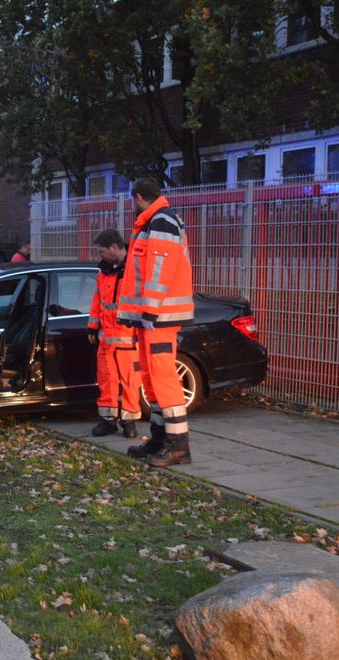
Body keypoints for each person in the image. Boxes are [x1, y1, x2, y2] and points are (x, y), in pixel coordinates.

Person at [120, 177, 194, 467]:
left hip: (159, 317)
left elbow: (160, 270)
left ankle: (177, 447)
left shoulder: (160, 222)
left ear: (138, 198)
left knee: (163, 379)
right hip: (153, 318)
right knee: (151, 379)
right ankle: (161, 440)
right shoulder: (155, 222)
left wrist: (149, 309)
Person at [87, 229, 141, 438]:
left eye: (102, 251)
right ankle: (108, 420)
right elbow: (98, 300)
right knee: (107, 381)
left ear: (114, 248)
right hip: (107, 338)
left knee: (130, 382)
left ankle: (129, 422)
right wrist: (92, 326)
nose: (100, 256)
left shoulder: (133, 269)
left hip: (127, 337)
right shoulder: (104, 272)